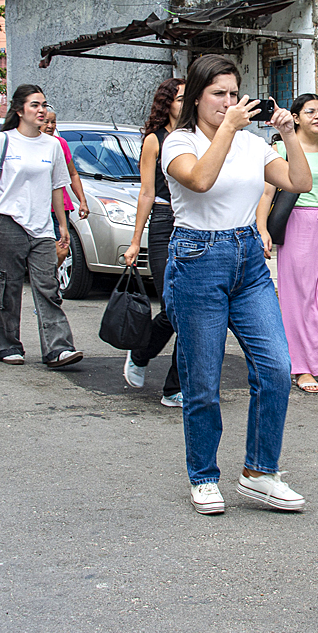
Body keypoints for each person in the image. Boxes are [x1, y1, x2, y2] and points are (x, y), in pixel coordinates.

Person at [161, 54, 313, 516]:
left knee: (275, 367)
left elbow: (299, 181)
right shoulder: (177, 142)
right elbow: (201, 180)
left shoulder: (251, 145)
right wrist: (229, 127)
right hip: (197, 259)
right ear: (197, 98)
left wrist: (289, 134)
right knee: (202, 380)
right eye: (218, 94)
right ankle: (204, 475)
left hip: (248, 258)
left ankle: (260, 472)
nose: (228, 103)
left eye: (234, 94)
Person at [0, 85, 85, 368]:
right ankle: (8, 345)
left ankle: (59, 348)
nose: (41, 110)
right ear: (20, 110)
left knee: (48, 287)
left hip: (42, 228)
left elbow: (58, 187)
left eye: (44, 105)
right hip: (8, 223)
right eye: (34, 105)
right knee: (7, 287)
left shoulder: (53, 145)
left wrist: (62, 225)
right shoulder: (3, 142)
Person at [258, 93, 318, 394]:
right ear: (296, 118)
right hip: (298, 224)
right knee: (299, 299)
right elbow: (267, 193)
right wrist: (262, 227)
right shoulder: (281, 147)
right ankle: (302, 367)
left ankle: (313, 352)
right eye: (311, 111)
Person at [123, 77, 185, 406]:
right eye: (179, 99)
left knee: (191, 312)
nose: (184, 104)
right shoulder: (155, 140)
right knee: (174, 307)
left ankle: (175, 387)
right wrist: (135, 242)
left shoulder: (198, 137)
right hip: (164, 222)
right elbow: (147, 192)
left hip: (196, 225)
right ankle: (142, 352)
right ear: (166, 103)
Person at [40, 107, 90, 230]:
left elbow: (73, 174)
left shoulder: (60, 143)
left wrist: (82, 201)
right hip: (38, 208)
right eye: (46, 122)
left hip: (59, 207)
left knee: (61, 247)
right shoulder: (30, 145)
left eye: (53, 122)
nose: (50, 126)